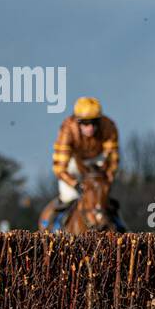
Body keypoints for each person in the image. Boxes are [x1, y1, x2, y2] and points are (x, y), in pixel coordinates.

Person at [48, 96, 125, 231]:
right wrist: (75, 184)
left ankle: (120, 227)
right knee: (68, 196)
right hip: (73, 162)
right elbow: (59, 167)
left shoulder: (109, 126)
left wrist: (108, 177)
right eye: (85, 123)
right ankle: (56, 227)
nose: (90, 128)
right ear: (78, 122)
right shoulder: (67, 129)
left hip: (98, 159)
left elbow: (113, 158)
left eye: (94, 123)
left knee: (101, 198)